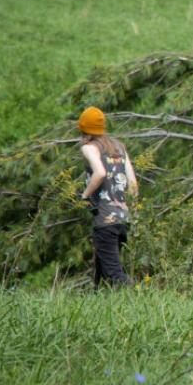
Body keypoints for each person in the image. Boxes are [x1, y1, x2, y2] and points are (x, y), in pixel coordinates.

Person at [78, 106, 137, 287]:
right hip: (122, 217)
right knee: (102, 271)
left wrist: (84, 196)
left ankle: (141, 296)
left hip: (105, 218)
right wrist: (132, 212)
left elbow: (100, 173)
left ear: (83, 128)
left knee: (114, 274)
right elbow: (133, 184)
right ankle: (98, 300)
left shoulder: (89, 148)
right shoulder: (119, 147)